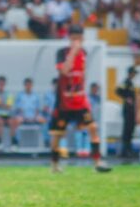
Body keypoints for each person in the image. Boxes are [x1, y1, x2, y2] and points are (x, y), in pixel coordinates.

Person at [48, 25, 112, 174]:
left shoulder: (84, 53)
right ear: (69, 38)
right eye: (74, 38)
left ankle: (97, 163)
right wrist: (73, 52)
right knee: (57, 134)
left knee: (93, 128)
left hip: (80, 101)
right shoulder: (61, 53)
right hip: (64, 102)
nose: (77, 41)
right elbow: (64, 71)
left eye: (79, 38)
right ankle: (55, 166)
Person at [10, 78, 46, 148]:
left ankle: (45, 141)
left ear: (32, 85)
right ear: (24, 85)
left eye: (30, 85)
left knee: (44, 120)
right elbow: (19, 109)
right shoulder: (20, 95)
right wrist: (25, 117)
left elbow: (37, 109)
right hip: (23, 115)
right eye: (27, 85)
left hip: (34, 115)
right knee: (15, 121)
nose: (28, 86)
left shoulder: (36, 96)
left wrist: (34, 117)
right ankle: (15, 141)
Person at [115, 66, 138, 160]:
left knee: (130, 130)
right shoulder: (126, 82)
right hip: (128, 109)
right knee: (127, 130)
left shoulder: (131, 83)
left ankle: (128, 149)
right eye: (133, 73)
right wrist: (126, 98)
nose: (134, 75)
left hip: (131, 109)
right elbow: (117, 90)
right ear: (130, 73)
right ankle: (125, 151)